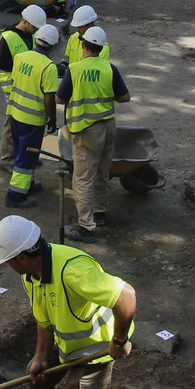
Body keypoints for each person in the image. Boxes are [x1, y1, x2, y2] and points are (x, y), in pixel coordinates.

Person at [0, 215, 137, 389]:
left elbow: (126, 295)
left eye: (7, 260)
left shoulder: (73, 272)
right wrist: (40, 357)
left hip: (95, 349)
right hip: (64, 342)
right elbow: (44, 318)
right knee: (37, 387)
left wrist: (119, 340)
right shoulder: (30, 274)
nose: (6, 265)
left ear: (20, 257)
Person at [55, 27, 130, 241]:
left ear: (83, 45)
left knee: (83, 178)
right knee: (102, 172)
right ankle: (99, 212)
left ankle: (86, 227)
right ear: (101, 48)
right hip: (108, 127)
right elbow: (125, 97)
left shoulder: (75, 69)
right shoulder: (110, 68)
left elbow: (60, 99)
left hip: (86, 129)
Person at [5, 24, 60, 208]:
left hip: (15, 113)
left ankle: (26, 185)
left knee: (21, 150)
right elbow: (49, 99)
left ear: (37, 39)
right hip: (33, 119)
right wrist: (53, 119)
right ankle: (15, 195)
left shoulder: (20, 57)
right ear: (52, 46)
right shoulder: (49, 67)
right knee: (26, 157)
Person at [0, 5, 47, 169]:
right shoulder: (8, 37)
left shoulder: (30, 36)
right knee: (12, 124)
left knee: (24, 124)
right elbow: (3, 63)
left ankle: (25, 155)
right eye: (35, 27)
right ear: (25, 22)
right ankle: (8, 159)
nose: (36, 31)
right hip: (12, 88)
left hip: (25, 86)